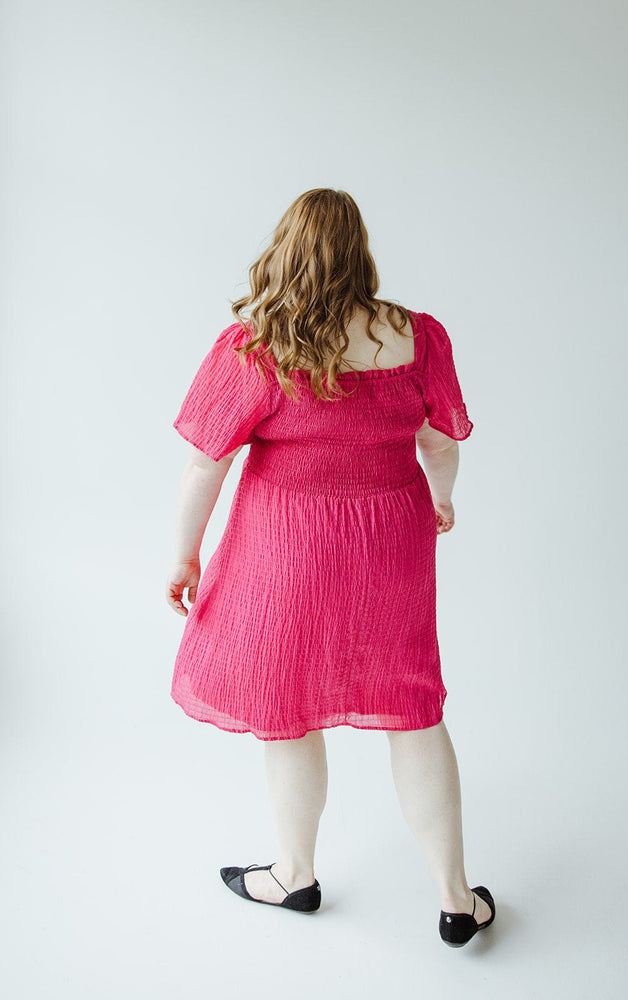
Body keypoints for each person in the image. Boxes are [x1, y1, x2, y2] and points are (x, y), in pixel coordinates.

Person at [165, 188, 495, 947]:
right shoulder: (416, 336)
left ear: (285, 247)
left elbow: (202, 465)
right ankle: (454, 900)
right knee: (412, 707)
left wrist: (184, 554)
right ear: (360, 251)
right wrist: (440, 503)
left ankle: (294, 875)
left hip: (287, 544)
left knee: (286, 705)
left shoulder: (255, 345)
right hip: (393, 535)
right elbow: (442, 443)